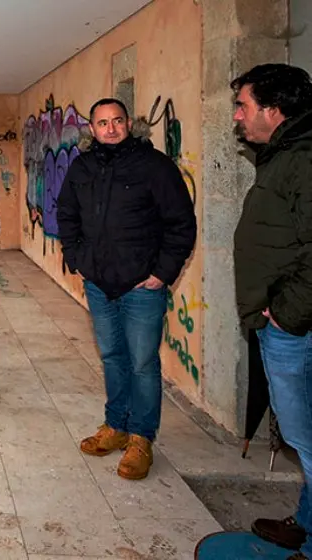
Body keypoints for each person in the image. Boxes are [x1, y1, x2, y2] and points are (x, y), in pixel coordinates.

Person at [57, 97, 197, 480]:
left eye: (117, 121)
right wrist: (79, 260)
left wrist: (161, 273)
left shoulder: (155, 166)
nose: (111, 128)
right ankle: (116, 426)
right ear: (92, 128)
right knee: (113, 358)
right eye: (103, 123)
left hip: (142, 287)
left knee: (142, 363)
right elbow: (66, 214)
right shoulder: (82, 167)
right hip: (100, 285)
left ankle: (141, 438)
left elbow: (181, 224)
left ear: (129, 123)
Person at [229, 63, 312, 559]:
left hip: (293, 326)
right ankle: (304, 523)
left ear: (273, 110)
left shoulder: (302, 160)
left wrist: (286, 313)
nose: (238, 117)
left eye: (243, 106)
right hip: (286, 322)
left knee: (305, 435)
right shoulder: (283, 156)